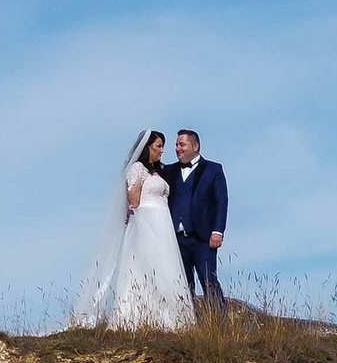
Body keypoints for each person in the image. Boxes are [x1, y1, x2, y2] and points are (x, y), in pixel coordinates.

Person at [69, 129, 195, 330]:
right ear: (147, 148)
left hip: (163, 224)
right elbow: (133, 198)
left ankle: (171, 317)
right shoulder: (138, 168)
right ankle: (138, 316)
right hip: (147, 222)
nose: (162, 150)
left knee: (165, 266)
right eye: (158, 146)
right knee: (146, 266)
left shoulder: (159, 171)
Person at [164, 129, 229, 318]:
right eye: (176, 145)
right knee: (183, 284)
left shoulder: (213, 169)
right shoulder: (169, 170)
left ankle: (218, 326)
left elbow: (221, 201)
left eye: (181, 145)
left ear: (195, 146)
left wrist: (218, 231)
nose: (177, 149)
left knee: (209, 280)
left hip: (203, 238)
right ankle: (188, 323)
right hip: (176, 238)